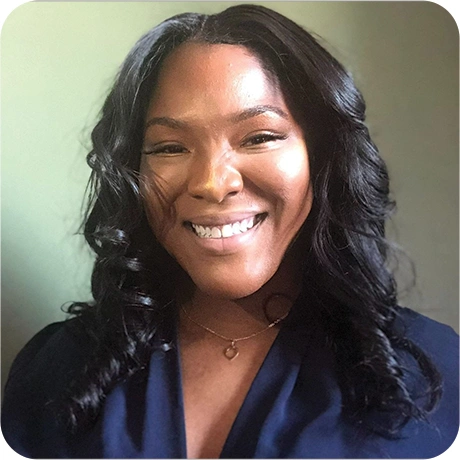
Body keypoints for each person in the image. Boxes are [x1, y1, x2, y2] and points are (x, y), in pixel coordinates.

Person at [1, 4, 458, 459]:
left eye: (259, 137)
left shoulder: (437, 370)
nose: (212, 183)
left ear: (323, 158)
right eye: (170, 147)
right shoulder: (54, 370)